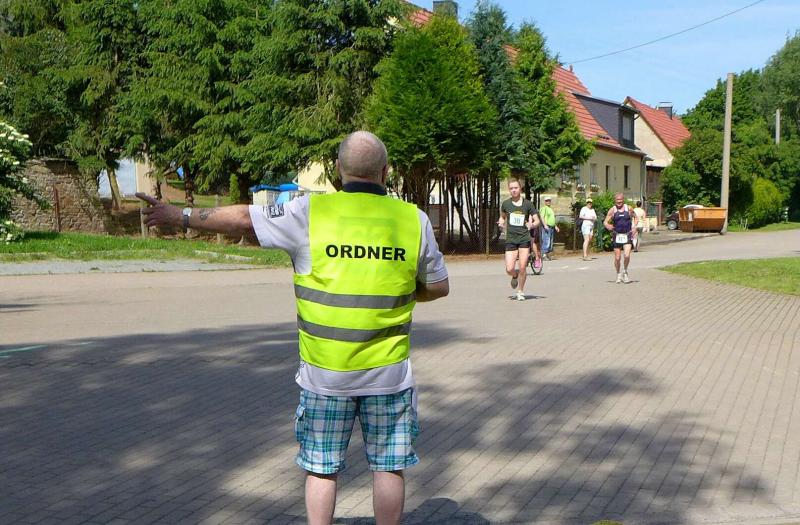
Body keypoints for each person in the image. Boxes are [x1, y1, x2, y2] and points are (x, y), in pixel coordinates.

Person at [136, 131, 449, 525]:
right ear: (386, 172)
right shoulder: (413, 220)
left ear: (338, 169)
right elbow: (439, 286)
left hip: (324, 376)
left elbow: (243, 219)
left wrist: (176, 215)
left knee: (321, 468)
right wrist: (401, 291)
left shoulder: (308, 213)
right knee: (388, 467)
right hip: (388, 376)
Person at [498, 178, 538, 301]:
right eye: (511, 188)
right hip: (511, 239)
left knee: (522, 267)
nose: (513, 190)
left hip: (524, 239)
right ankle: (514, 276)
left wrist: (532, 225)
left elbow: (537, 220)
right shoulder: (506, 204)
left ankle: (520, 291)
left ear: (520, 189)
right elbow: (502, 217)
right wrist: (501, 222)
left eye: (515, 188)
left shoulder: (528, 204)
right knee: (509, 269)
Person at [603, 192, 638, 284]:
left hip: (627, 234)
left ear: (623, 200)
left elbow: (636, 218)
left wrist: (634, 227)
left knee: (627, 255)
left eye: (620, 200)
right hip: (617, 235)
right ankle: (618, 274)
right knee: (617, 258)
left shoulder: (629, 208)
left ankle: (625, 272)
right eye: (617, 200)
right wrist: (607, 225)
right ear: (615, 200)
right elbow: (605, 222)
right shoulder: (612, 210)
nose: (619, 202)